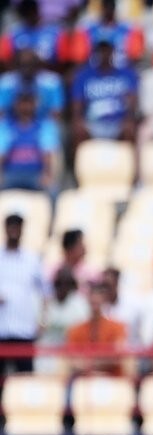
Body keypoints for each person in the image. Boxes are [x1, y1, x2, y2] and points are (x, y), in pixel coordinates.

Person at [70, 39, 139, 144]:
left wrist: (129, 118)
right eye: (101, 51)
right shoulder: (84, 76)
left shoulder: (126, 75)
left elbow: (132, 101)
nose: (104, 55)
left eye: (107, 51)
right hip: (92, 123)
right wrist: (78, 120)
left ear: (112, 52)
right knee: (78, 131)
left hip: (118, 123)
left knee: (129, 130)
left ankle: (130, 155)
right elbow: (77, 102)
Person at [0, 213, 43, 374]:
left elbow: (45, 292)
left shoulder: (32, 259)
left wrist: (42, 320)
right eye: (11, 226)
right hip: (1, 328)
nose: (14, 230)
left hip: (24, 330)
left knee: (25, 379)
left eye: (17, 226)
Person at [0, 89, 59, 191]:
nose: (25, 107)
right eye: (22, 103)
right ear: (16, 105)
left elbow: (47, 154)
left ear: (34, 105)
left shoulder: (43, 126)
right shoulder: (6, 126)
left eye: (29, 103)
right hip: (11, 175)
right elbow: (1, 154)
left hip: (35, 176)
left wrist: (47, 174)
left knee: (53, 190)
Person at [66, 283, 128, 375]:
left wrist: (89, 364)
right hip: (84, 379)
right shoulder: (76, 330)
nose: (95, 302)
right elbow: (72, 359)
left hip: (112, 378)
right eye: (93, 301)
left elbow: (117, 357)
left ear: (104, 300)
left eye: (97, 301)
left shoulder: (117, 327)